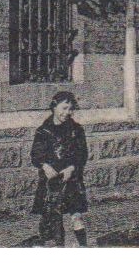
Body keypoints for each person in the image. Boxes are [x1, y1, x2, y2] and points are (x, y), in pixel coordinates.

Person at [31, 90, 91, 247]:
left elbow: (82, 154)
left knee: (76, 215)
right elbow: (36, 155)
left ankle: (84, 246)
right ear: (54, 107)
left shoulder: (76, 130)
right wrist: (45, 166)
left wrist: (72, 168)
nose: (67, 113)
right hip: (51, 181)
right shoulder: (43, 131)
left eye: (71, 109)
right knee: (51, 215)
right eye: (64, 108)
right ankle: (55, 245)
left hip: (71, 178)